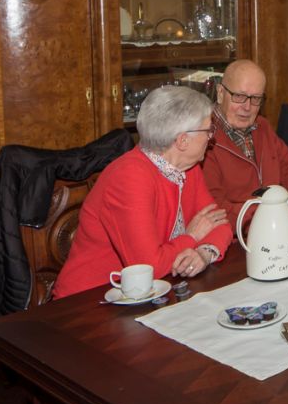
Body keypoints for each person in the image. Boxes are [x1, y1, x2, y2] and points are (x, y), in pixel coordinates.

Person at [54, 85, 233, 298]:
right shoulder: (129, 177)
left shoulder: (188, 167)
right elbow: (148, 267)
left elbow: (220, 224)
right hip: (92, 299)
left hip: (155, 292)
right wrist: (192, 236)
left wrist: (203, 253)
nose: (211, 137)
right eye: (207, 131)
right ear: (182, 140)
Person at [201, 59, 288, 226]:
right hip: (236, 235)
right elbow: (216, 210)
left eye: (256, 98)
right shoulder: (204, 138)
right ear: (220, 93)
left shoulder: (262, 126)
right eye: (239, 96)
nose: (247, 107)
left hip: (275, 225)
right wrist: (279, 217)